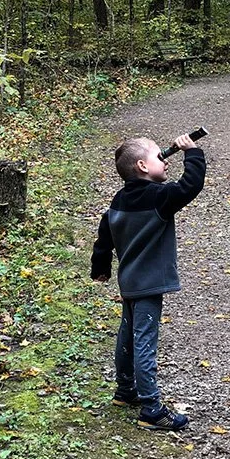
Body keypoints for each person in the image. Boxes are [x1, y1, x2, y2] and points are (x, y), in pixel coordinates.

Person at [91, 133, 205, 431]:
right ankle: (151, 408)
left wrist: (100, 266)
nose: (165, 161)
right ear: (142, 166)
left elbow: (105, 233)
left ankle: (125, 390)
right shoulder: (158, 198)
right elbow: (191, 186)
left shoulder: (119, 200)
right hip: (149, 286)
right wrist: (192, 153)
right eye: (160, 157)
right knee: (144, 342)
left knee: (127, 336)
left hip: (129, 282)